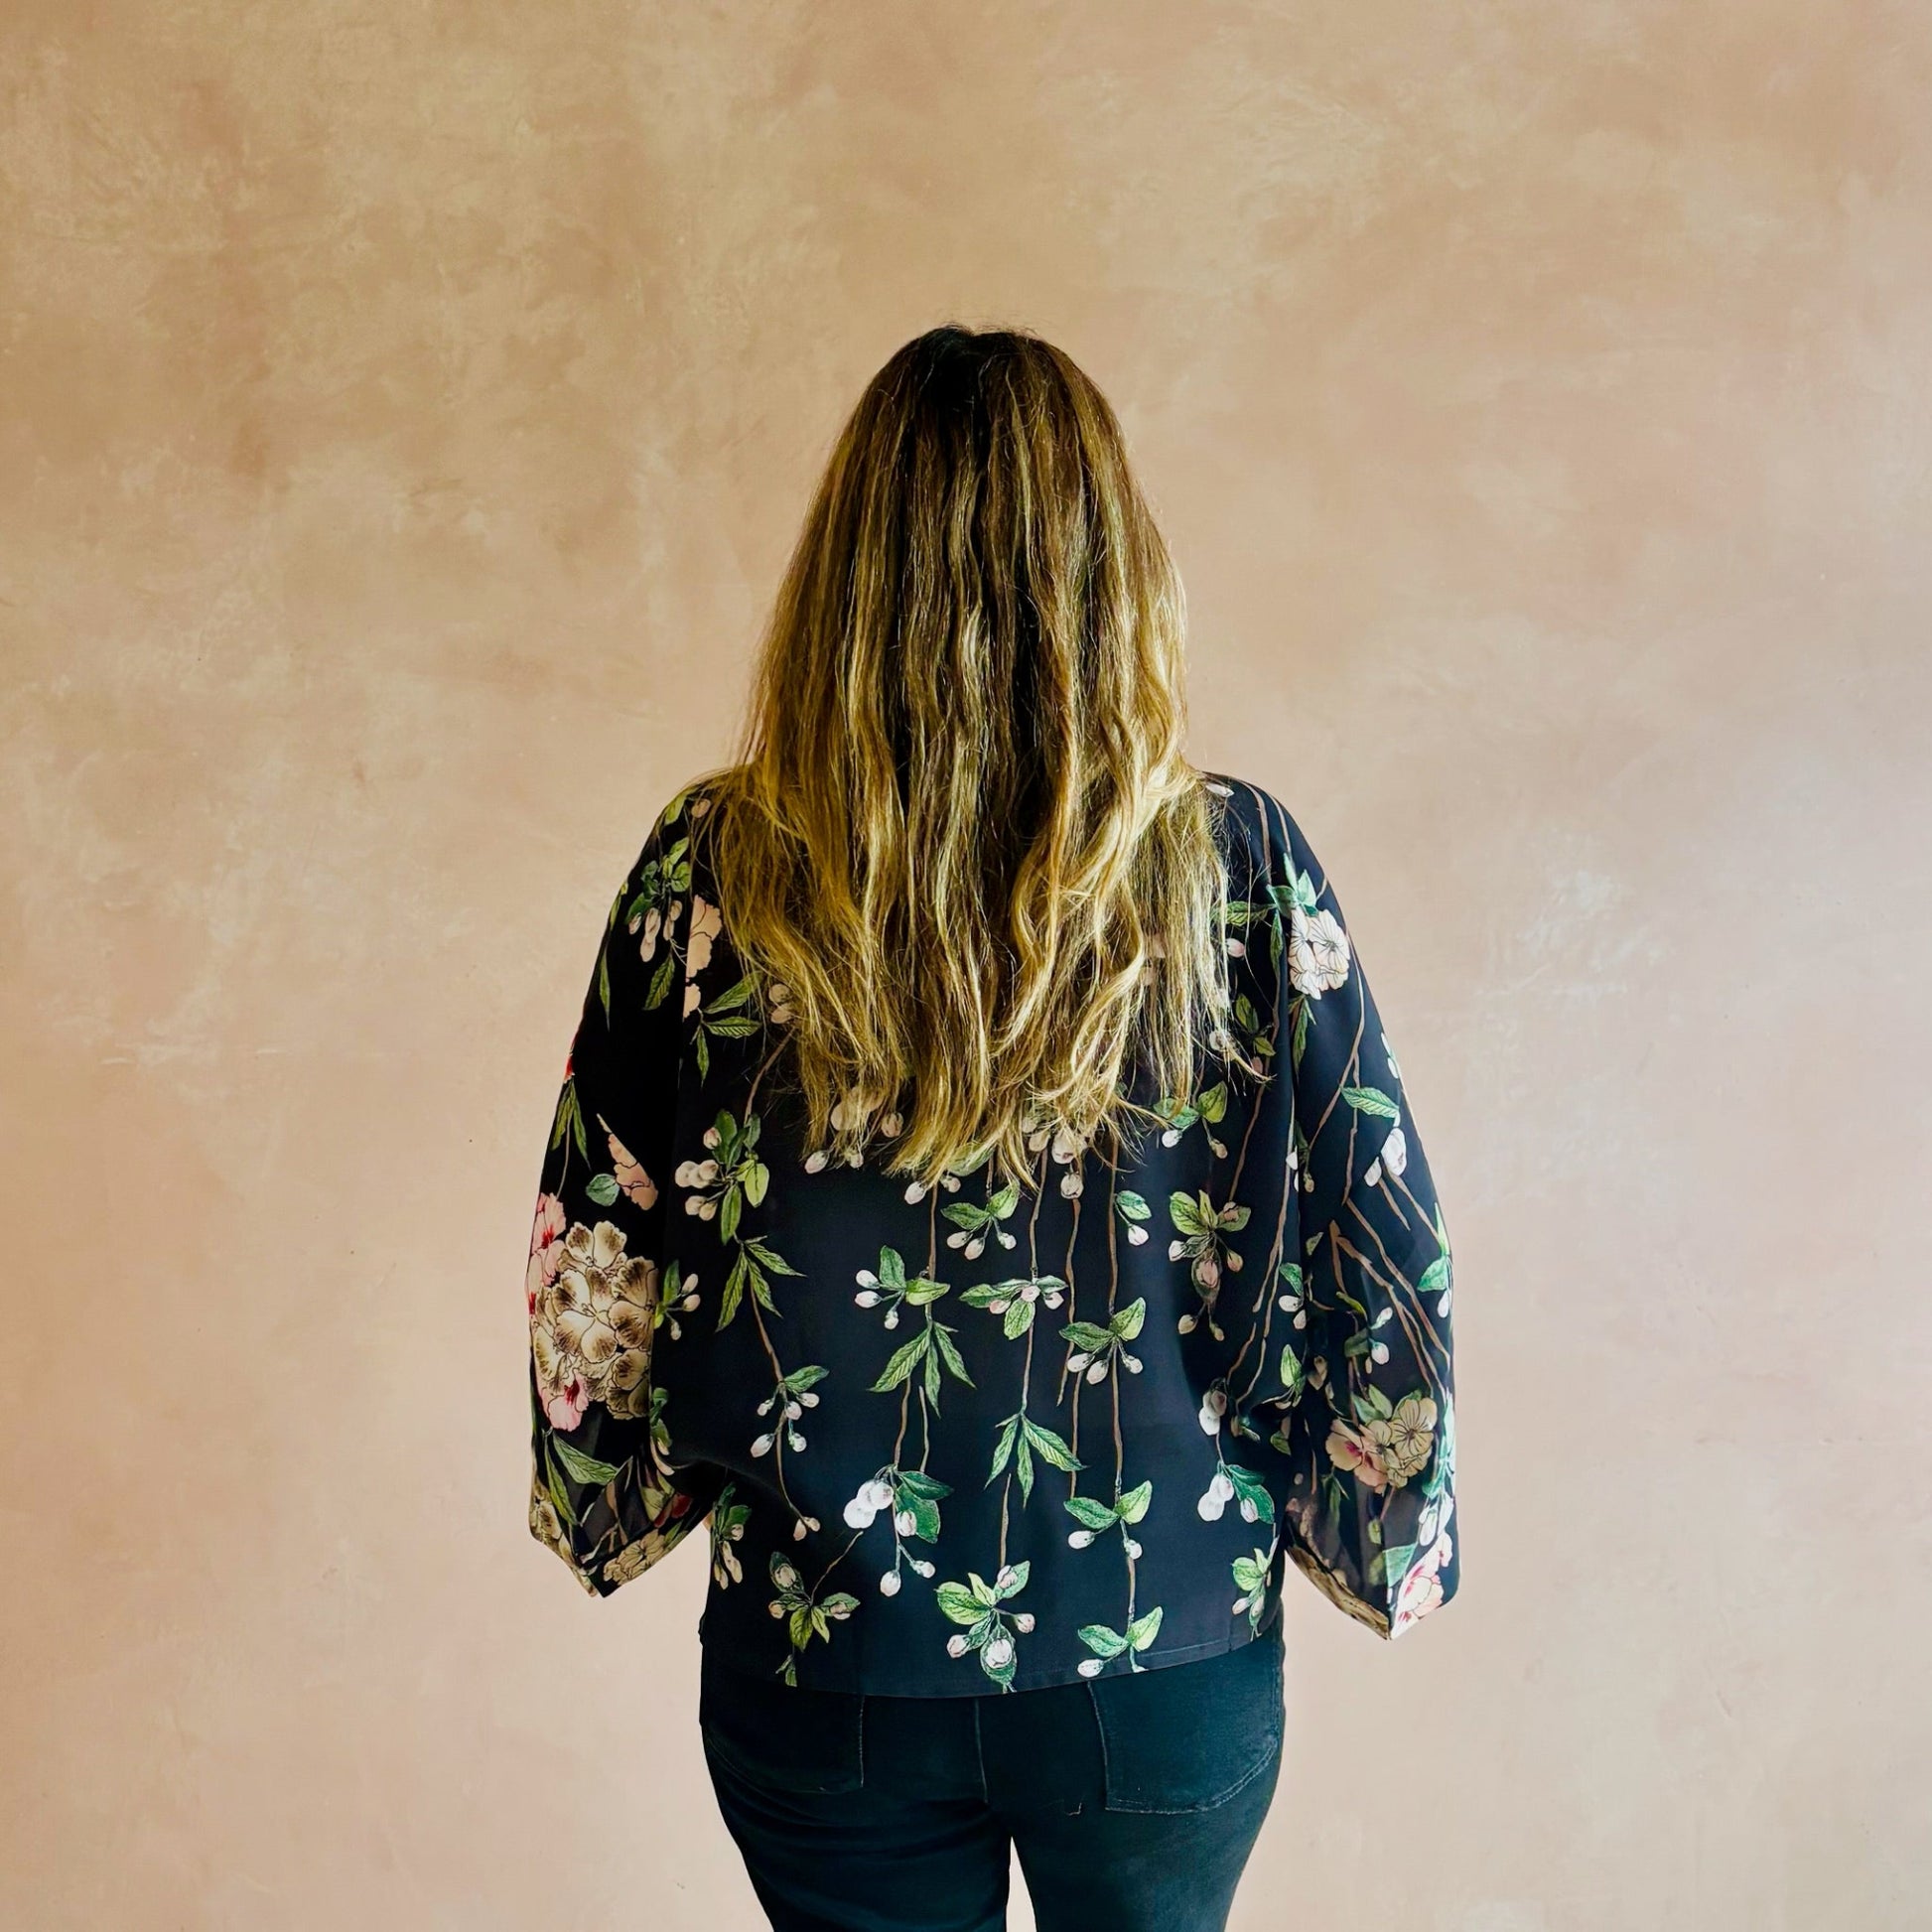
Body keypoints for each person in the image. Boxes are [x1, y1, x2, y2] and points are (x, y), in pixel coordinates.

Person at [522, 324, 1459, 1931]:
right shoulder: (1233, 865)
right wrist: (1376, 1527)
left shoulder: (713, 868)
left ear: (844, 574)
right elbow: (1376, 1225)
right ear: (1115, 574)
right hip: (1162, 1645)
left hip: (824, 1659)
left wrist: (606, 1493)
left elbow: (594, 1236)